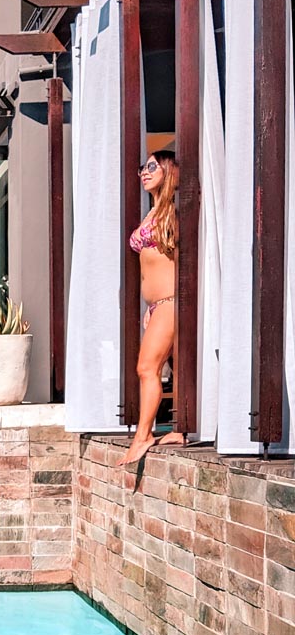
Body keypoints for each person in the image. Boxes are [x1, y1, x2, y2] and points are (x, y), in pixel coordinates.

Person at [117, 150, 184, 466]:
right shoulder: (153, 212)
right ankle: (180, 430)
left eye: (152, 166)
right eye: (143, 166)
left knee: (146, 368)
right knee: (177, 367)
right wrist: (151, 305)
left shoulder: (173, 213)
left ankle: (143, 434)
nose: (144, 171)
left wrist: (169, 301)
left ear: (169, 171)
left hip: (171, 303)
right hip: (159, 306)